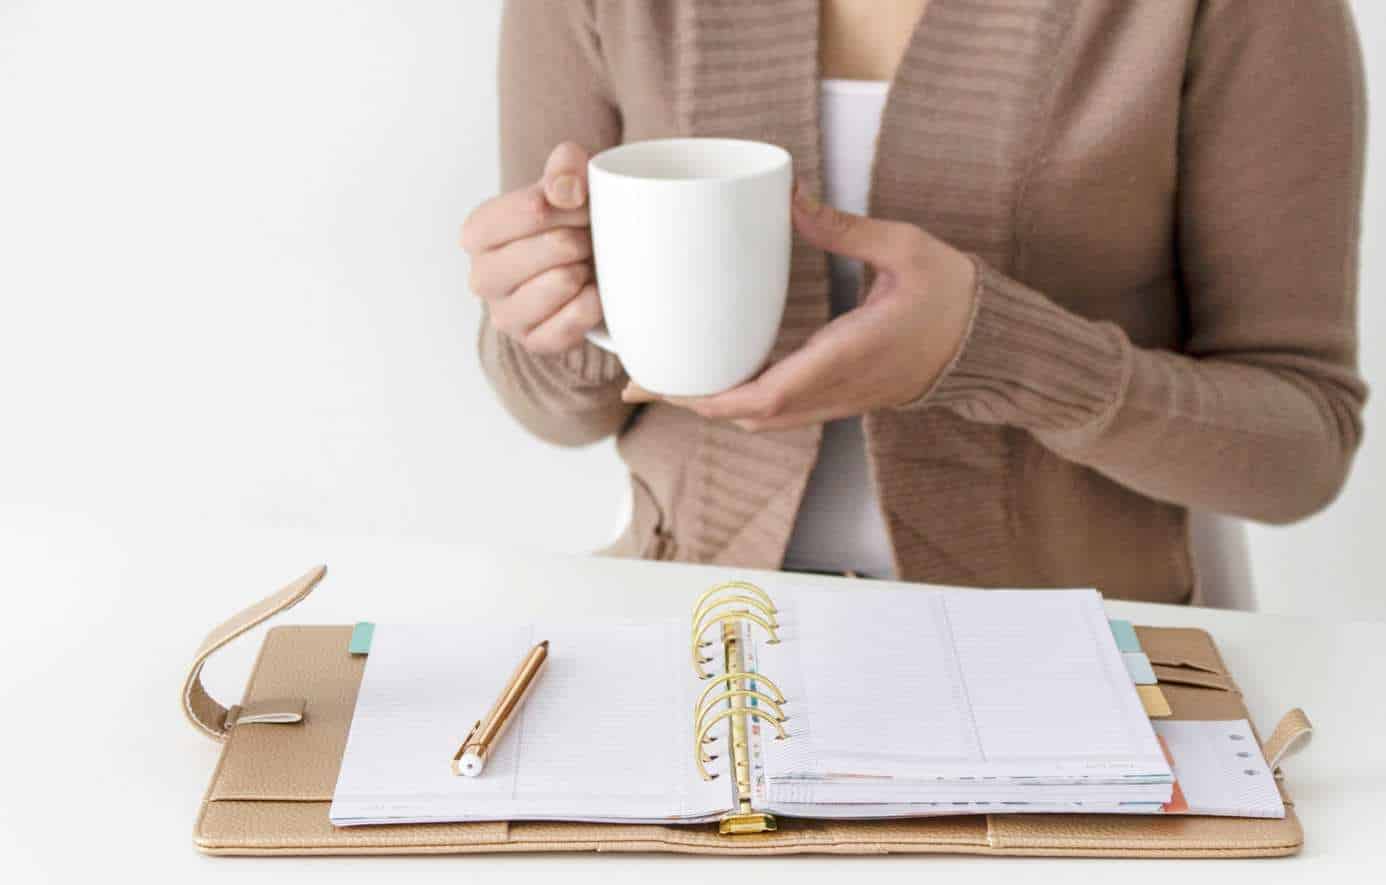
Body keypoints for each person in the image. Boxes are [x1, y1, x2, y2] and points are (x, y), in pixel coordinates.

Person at [462, 0, 1367, 604]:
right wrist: (560, 314)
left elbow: (1300, 449)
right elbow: (558, 410)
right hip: (696, 648)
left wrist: (995, 352)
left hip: (1087, 667)